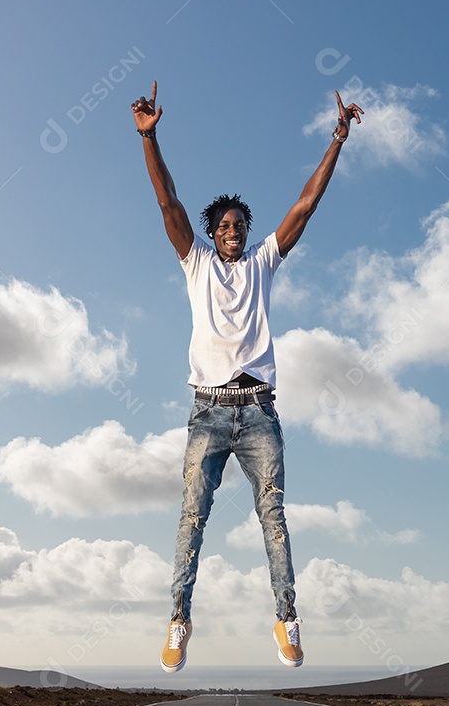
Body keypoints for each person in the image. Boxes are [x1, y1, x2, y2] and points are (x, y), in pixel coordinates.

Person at [131, 81, 362, 673]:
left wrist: (337, 138)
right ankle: (178, 621)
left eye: (239, 224)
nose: (233, 230)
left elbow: (306, 206)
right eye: (224, 225)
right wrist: (150, 138)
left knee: (274, 519)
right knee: (192, 518)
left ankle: (286, 620)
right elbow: (168, 205)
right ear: (211, 235)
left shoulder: (264, 261)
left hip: (259, 411)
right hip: (207, 413)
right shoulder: (196, 263)